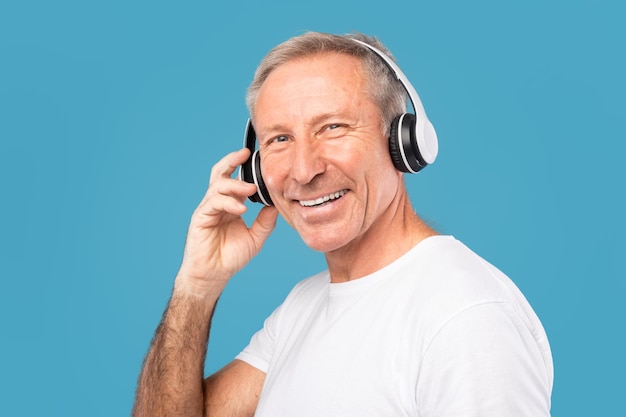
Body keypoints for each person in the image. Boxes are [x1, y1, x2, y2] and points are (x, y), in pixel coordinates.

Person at [132, 32, 553, 416]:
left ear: (403, 142)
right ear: (257, 174)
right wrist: (196, 287)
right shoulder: (302, 308)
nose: (303, 170)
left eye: (333, 127)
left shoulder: (464, 317)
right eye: (279, 139)